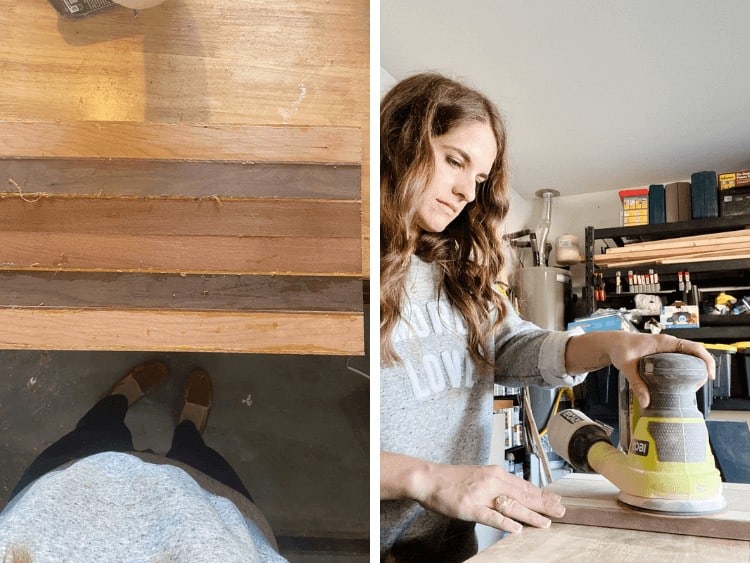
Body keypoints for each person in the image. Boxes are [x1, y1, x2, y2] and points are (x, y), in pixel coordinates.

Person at [379, 72, 715, 562]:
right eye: (455, 161)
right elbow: (319, 447)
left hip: (450, 541)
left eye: (477, 180)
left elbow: (514, 346)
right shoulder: (347, 265)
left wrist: (609, 346)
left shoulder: (458, 273)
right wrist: (426, 477)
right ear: (400, 142)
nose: (467, 195)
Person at [0, 360, 288, 563]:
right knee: (195, 457)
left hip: (63, 495)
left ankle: (116, 402)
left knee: (97, 434)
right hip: (210, 512)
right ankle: (188, 428)